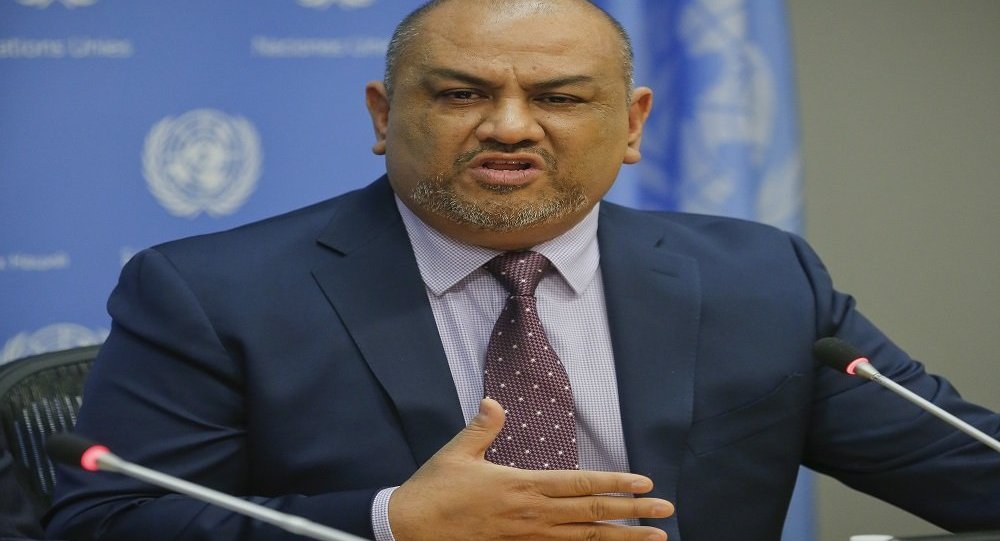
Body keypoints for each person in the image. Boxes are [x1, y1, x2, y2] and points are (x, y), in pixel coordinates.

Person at [46, 1, 1000, 540]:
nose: (509, 125)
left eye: (560, 97)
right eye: (462, 93)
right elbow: (106, 524)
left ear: (632, 124)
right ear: (383, 115)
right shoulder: (213, 292)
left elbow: (966, 466)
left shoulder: (759, 278)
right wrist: (390, 521)